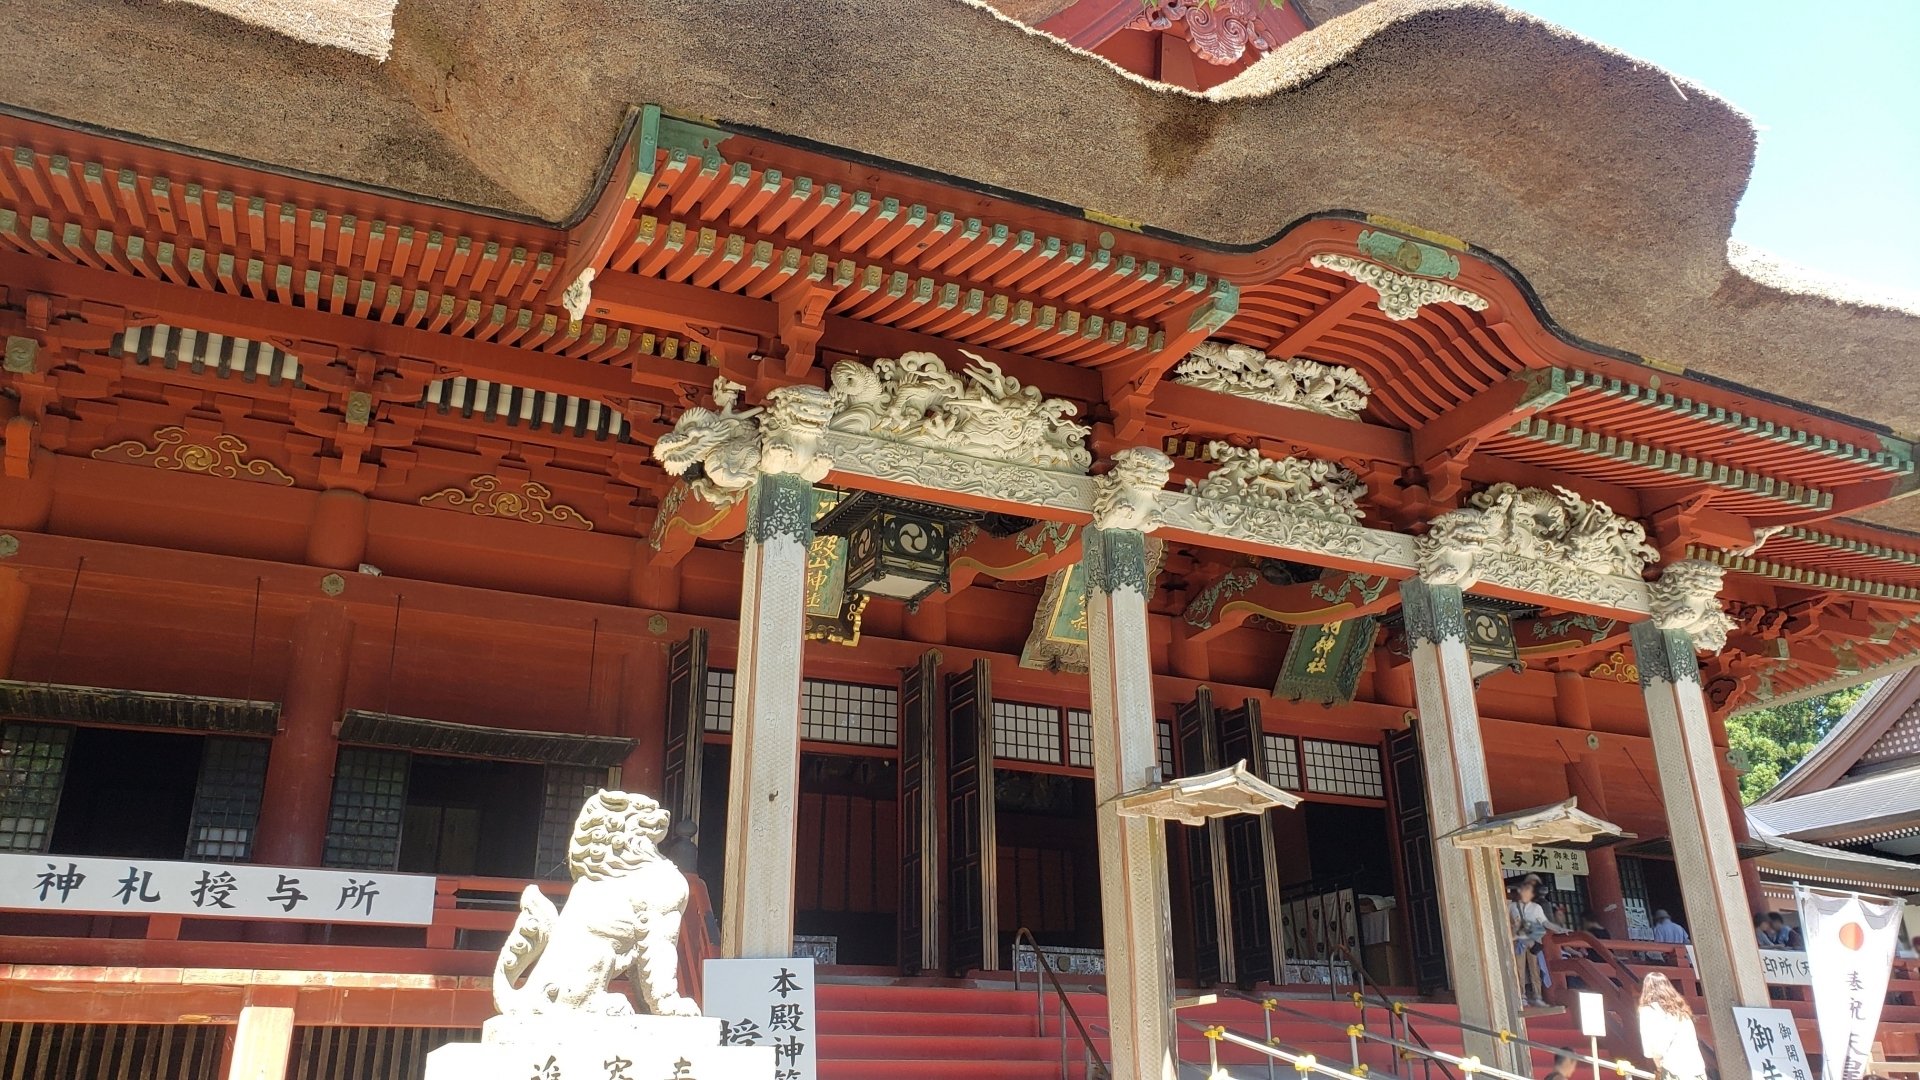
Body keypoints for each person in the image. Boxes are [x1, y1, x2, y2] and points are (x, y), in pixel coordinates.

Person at [1511, 877, 1570, 1007]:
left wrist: (1560, 929)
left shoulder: (1536, 907)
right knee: (1519, 968)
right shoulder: (1512, 906)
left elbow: (1545, 923)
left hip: (1533, 939)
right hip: (1519, 939)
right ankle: (1521, 995)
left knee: (1535, 968)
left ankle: (1537, 995)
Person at [1638, 973, 1708, 1080]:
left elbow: (1655, 1048)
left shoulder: (1649, 1010)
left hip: (1673, 1069)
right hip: (1696, 1067)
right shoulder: (1680, 1009)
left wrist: (1659, 1067)